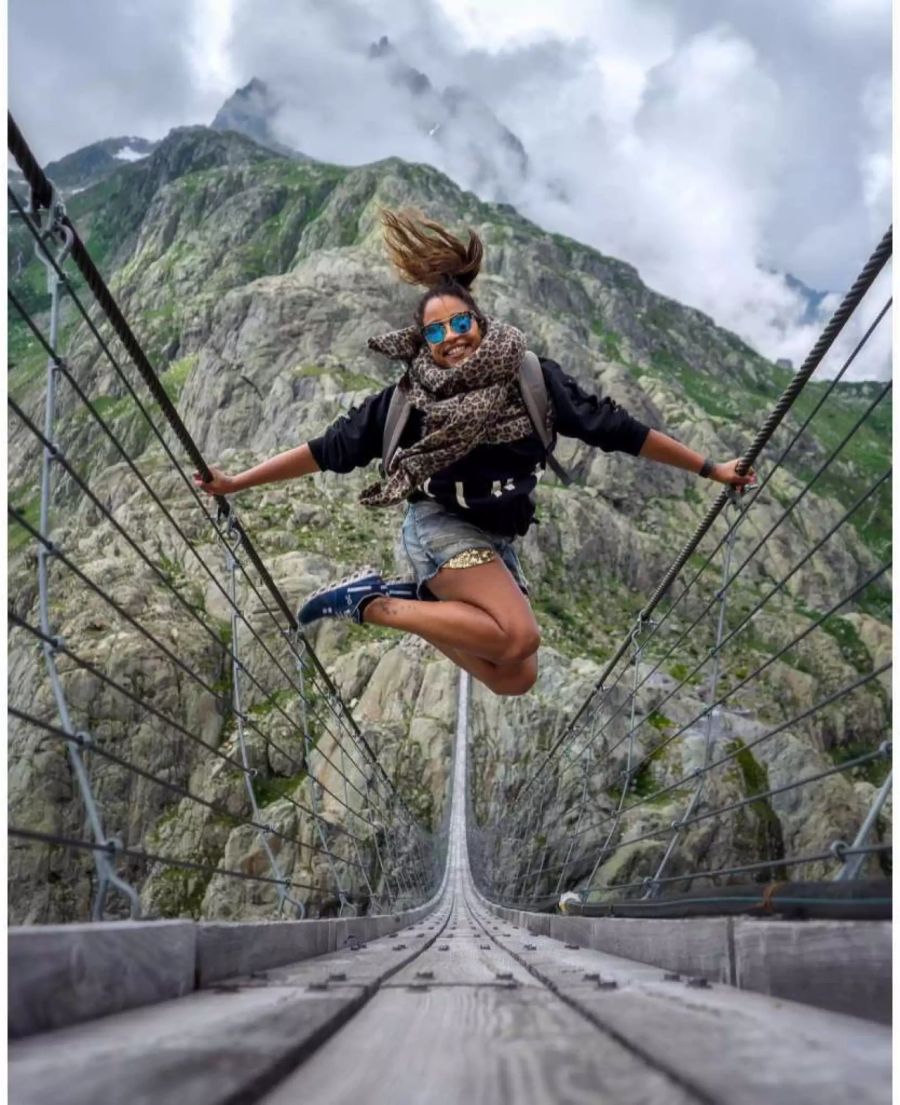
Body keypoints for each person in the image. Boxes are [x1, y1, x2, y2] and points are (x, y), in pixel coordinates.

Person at [195, 209, 754, 697]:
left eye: (459, 323)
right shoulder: (407, 401)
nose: (451, 337)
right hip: (438, 527)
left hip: (497, 538)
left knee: (516, 676)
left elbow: (618, 429)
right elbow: (327, 450)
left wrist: (710, 469)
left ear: (480, 325)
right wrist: (236, 482)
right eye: (435, 332)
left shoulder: (531, 377)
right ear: (423, 344)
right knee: (520, 636)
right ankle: (373, 605)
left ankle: (407, 603)